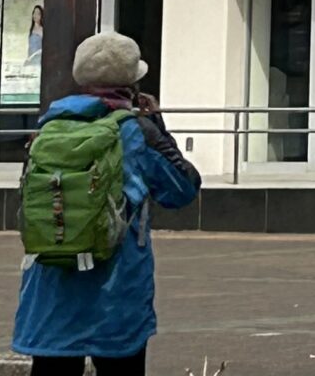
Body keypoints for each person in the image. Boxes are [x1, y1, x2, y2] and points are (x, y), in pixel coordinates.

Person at [12, 29, 200, 376]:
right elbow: (183, 189)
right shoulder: (137, 131)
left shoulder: (49, 129)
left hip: (52, 290)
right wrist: (156, 122)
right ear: (132, 84)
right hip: (116, 292)